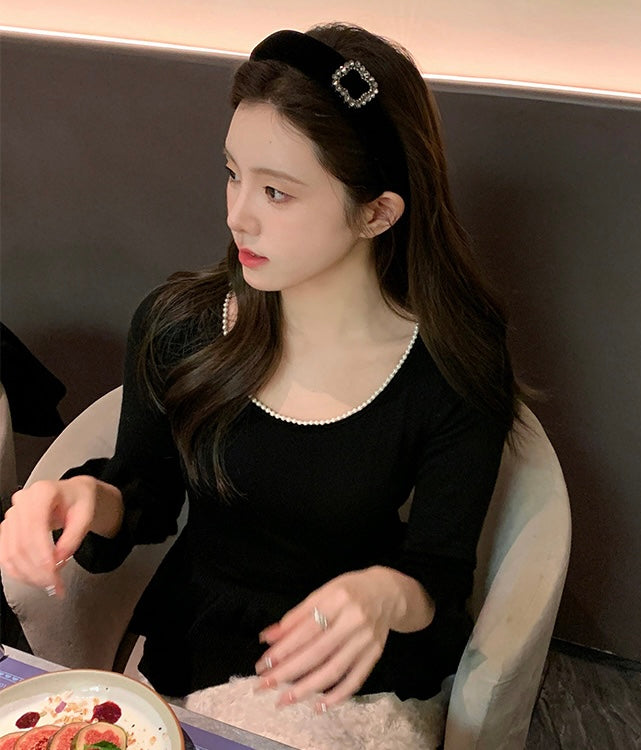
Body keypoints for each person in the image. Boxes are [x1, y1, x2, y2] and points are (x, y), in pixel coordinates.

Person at [0, 23, 518, 716]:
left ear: (376, 213)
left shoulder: (451, 364)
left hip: (352, 668)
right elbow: (145, 493)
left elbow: (440, 573)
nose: (238, 217)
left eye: (276, 192)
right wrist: (87, 498)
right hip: (197, 644)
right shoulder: (181, 325)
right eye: (232, 174)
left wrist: (384, 593)